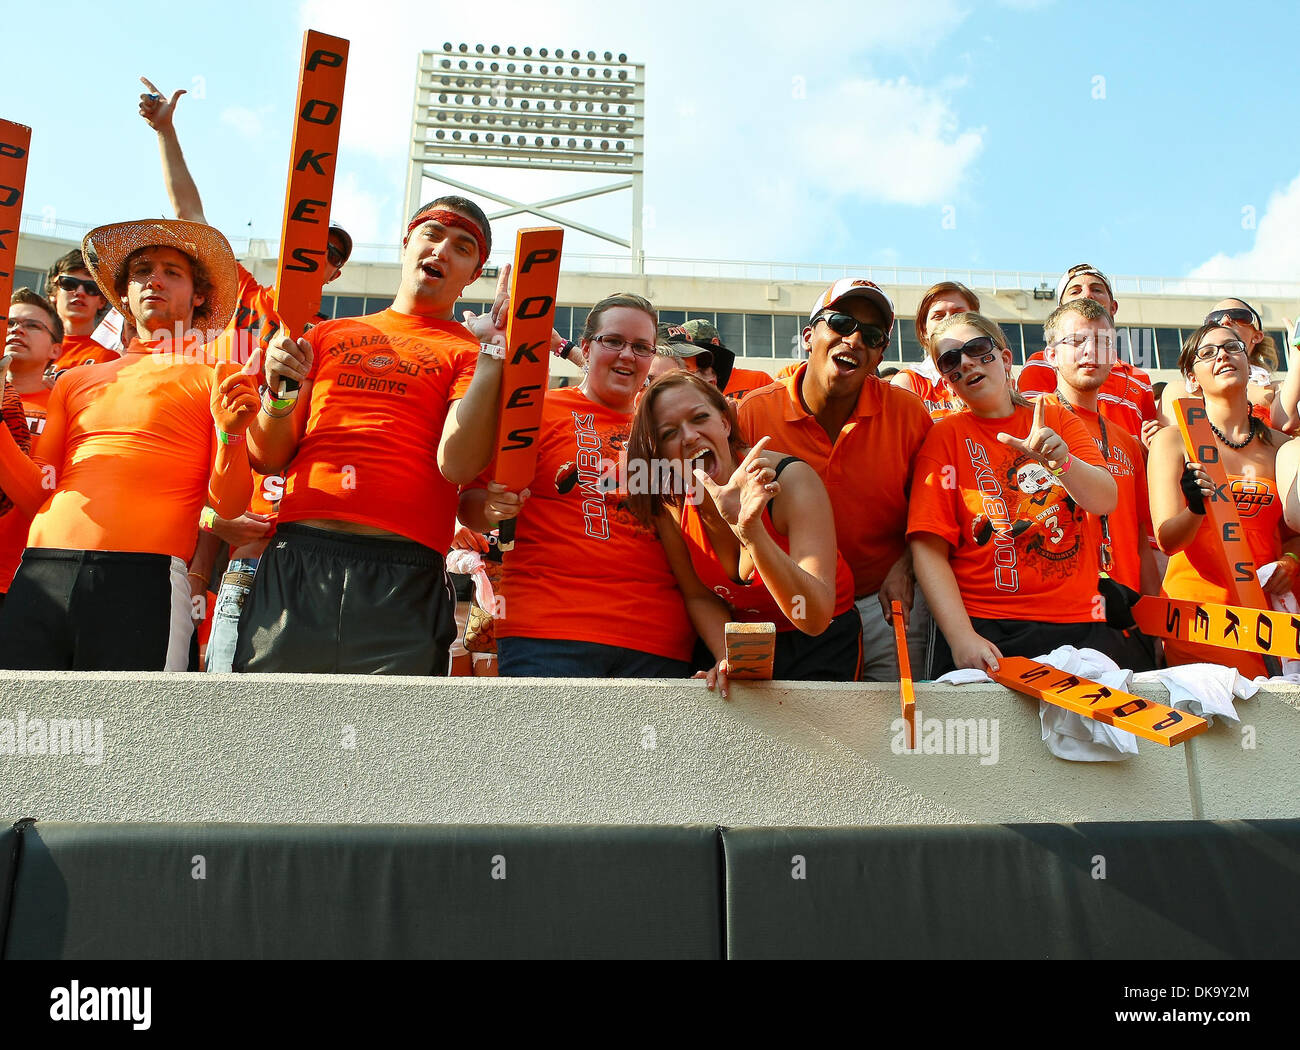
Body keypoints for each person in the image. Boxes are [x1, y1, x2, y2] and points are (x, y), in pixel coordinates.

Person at [232, 197, 510, 675]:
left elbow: (459, 467)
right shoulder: (326, 335)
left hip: (406, 572)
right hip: (298, 554)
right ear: (406, 244)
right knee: (268, 734)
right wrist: (277, 395)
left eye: (462, 247)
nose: (442, 250)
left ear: (472, 275)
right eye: (433, 234)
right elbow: (266, 457)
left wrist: (490, 355)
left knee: (390, 742)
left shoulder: (472, 353)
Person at [0, 219, 258, 670]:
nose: (154, 279)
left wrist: (232, 434)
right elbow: (38, 494)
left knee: (135, 737)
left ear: (199, 295)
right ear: (123, 295)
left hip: (148, 578)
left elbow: (230, 504)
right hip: (41, 567)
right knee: (19, 731)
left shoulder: (218, 376)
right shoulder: (73, 380)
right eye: (141, 271)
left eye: (171, 272)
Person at [458, 293, 696, 677]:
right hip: (548, 635)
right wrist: (492, 509)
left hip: (658, 642)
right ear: (585, 346)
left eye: (640, 347)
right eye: (613, 341)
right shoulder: (533, 411)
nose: (627, 356)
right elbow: (469, 500)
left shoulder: (667, 429)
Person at [908, 311, 1144, 675]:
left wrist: (1061, 461)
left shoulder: (1055, 416)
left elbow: (1104, 499)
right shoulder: (945, 437)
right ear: (947, 381)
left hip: (1080, 624)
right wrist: (960, 637)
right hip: (990, 628)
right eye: (950, 360)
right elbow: (927, 547)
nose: (966, 362)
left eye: (977, 348)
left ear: (1005, 359)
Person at [738, 279, 933, 680]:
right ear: (809, 336)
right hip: (789, 607)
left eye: (873, 335)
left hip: (884, 602)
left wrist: (908, 564)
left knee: (892, 734)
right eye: (841, 323)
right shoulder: (753, 415)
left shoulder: (909, 415)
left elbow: (935, 511)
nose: (854, 338)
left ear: (880, 353)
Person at [627, 371, 860, 694]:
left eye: (700, 418)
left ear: (724, 423)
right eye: (669, 433)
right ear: (660, 453)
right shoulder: (671, 503)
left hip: (820, 636)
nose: (690, 436)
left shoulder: (789, 480)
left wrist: (752, 533)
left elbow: (814, 618)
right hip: (743, 638)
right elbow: (699, 596)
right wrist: (728, 658)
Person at [1151, 323, 1297, 679]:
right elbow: (1168, 540)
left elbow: (1295, 531)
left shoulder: (1283, 447)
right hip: (1199, 622)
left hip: (1268, 623)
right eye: (1208, 352)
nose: (1222, 356)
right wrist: (1196, 508)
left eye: (1232, 347)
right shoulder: (1173, 441)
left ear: (1249, 364)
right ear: (1192, 378)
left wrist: (1291, 560)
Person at [1037, 298, 1160, 668]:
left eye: (1103, 342)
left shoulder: (1127, 441)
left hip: (1125, 615)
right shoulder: (1030, 424)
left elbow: (1141, 541)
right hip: (1056, 616)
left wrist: (1156, 624)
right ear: (1051, 355)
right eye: (1076, 341)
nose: (1091, 351)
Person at [1018, 263, 1157, 443]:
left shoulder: (1140, 379)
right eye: (1075, 291)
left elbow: (1150, 444)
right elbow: (1029, 425)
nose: (1087, 294)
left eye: (1097, 289)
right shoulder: (1041, 363)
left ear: (1113, 307)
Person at [0, 290, 62, 604]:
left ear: (56, 349)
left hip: (30, 580)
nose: (16, 330)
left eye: (32, 325)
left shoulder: (67, 408)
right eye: (9, 322)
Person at [890, 280, 979, 420]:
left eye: (958, 314)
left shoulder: (997, 375)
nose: (949, 320)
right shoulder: (907, 383)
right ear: (924, 329)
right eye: (938, 316)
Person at [43, 249, 118, 374]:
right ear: (53, 292)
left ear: (102, 301)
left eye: (91, 287)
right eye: (69, 283)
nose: (80, 292)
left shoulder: (113, 357)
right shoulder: (30, 344)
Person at [665, 319, 773, 400]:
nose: (691, 355)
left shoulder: (759, 380)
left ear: (715, 343)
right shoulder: (683, 384)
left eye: (695, 347)